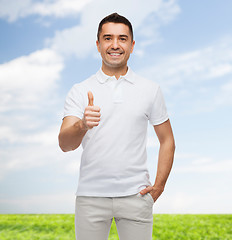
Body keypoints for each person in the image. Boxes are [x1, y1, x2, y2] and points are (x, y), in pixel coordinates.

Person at [58, 12, 175, 240]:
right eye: (108, 38)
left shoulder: (150, 89)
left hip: (136, 197)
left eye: (122, 39)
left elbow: (167, 139)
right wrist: (82, 124)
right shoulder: (80, 90)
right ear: (98, 44)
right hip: (91, 198)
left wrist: (159, 186)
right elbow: (65, 144)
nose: (115, 45)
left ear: (132, 45)